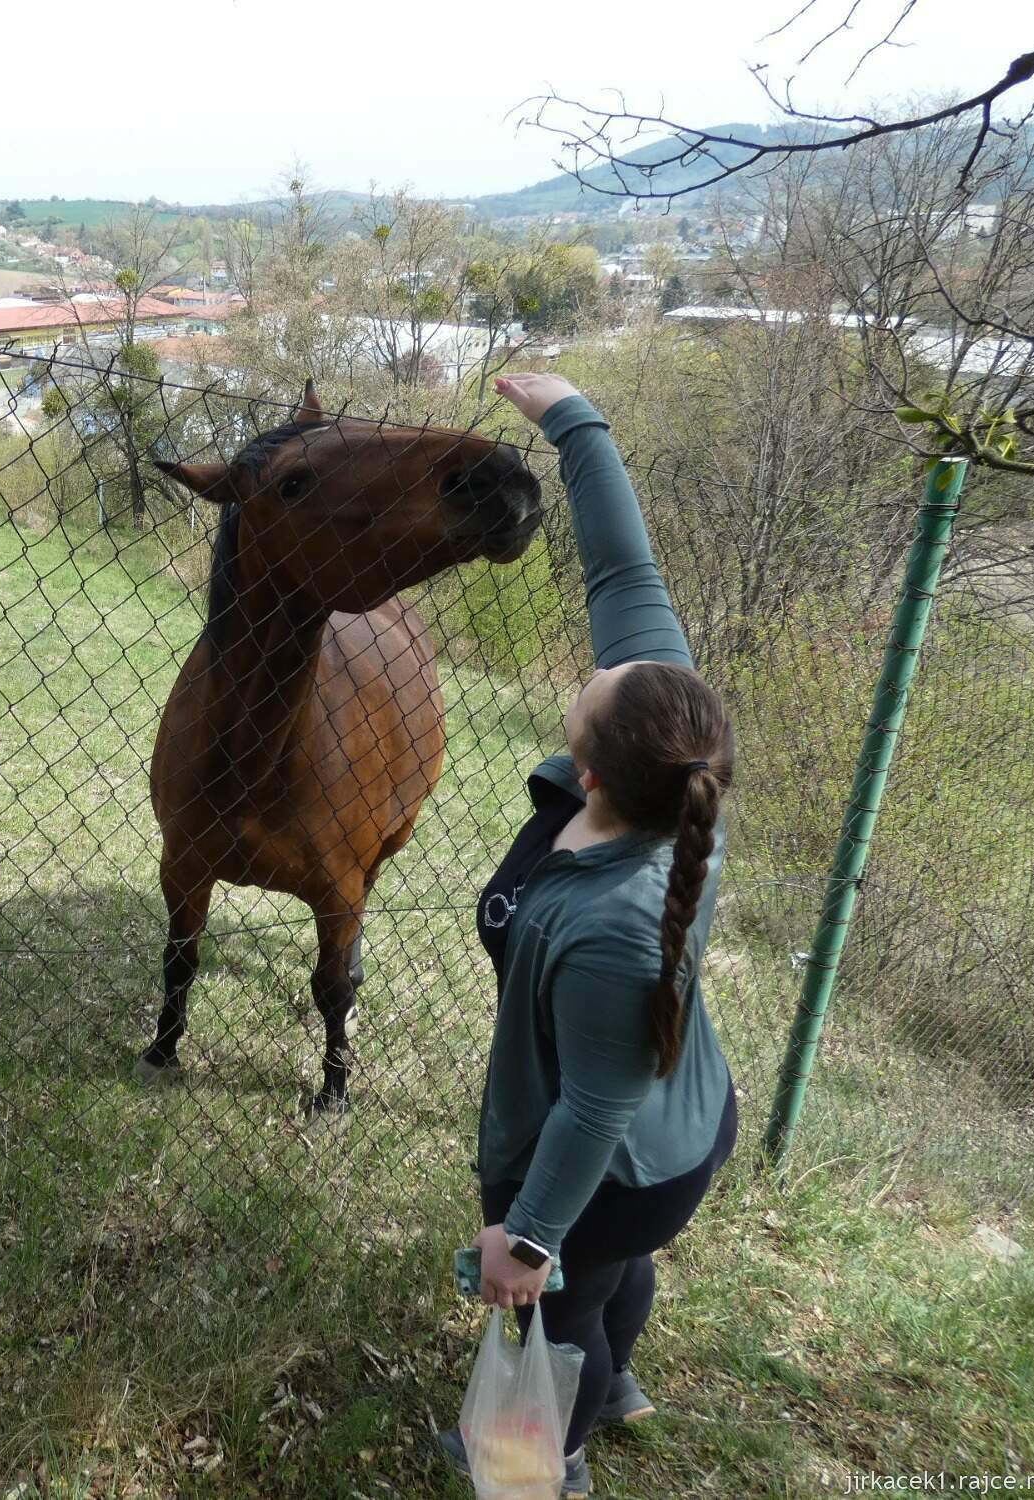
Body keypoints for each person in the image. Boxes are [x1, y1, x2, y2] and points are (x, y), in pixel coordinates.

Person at [439, 373, 740, 1499]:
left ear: (594, 769)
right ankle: (613, 1392)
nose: (597, 663)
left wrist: (524, 1240)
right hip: (677, 1126)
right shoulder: (676, 750)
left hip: (619, 1162)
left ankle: (542, 1462)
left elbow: (592, 1109)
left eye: (597, 680)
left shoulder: (617, 920)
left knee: (558, 1316)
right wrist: (572, 421)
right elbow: (624, 574)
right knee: (611, 1274)